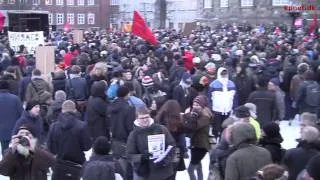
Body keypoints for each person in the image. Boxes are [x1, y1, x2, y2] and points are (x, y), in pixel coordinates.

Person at [47, 100, 92, 180]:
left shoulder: (53, 126)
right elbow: (87, 146)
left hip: (59, 163)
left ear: (62, 110)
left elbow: (50, 148)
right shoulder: (82, 126)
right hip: (77, 164)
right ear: (75, 110)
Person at [127, 106, 175, 180]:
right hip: (145, 173)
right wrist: (142, 157)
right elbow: (130, 155)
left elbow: (172, 146)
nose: (145, 120)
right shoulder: (133, 134)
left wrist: (165, 161)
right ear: (137, 119)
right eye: (142, 118)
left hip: (164, 172)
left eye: (147, 117)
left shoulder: (161, 129)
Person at [108, 86, 136, 180]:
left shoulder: (110, 106)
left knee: (118, 166)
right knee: (128, 167)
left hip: (114, 139)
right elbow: (129, 127)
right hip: (125, 140)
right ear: (126, 94)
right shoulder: (129, 109)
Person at [184, 95, 212, 180]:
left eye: (197, 105)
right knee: (198, 166)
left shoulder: (205, 116)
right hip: (195, 144)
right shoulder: (196, 113)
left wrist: (192, 116)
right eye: (194, 104)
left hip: (201, 146)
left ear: (202, 106)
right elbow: (186, 116)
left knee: (190, 170)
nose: (195, 107)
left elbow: (194, 126)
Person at [155, 100, 186, 176]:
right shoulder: (179, 123)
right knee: (172, 174)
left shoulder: (158, 120)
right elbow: (182, 143)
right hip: (175, 152)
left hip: (161, 153)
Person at [208, 67, 236, 137]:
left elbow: (235, 98)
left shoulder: (232, 84)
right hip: (216, 111)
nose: (224, 76)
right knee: (217, 128)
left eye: (225, 74)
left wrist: (234, 108)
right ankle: (217, 138)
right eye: (222, 74)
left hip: (228, 110)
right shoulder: (213, 84)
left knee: (226, 128)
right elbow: (209, 98)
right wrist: (211, 109)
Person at [0, 80, 23, 155]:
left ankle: (5, 165)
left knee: (4, 151)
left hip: (1, 131)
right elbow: (22, 114)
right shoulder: (15, 99)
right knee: (16, 151)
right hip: (14, 130)